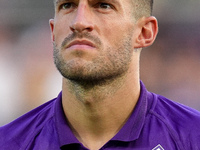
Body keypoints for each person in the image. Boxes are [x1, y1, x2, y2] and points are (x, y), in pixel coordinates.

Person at [0, 0, 200, 149]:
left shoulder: (192, 137)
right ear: (53, 31)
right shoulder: (9, 143)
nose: (79, 22)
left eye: (103, 5)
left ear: (144, 32)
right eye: (68, 5)